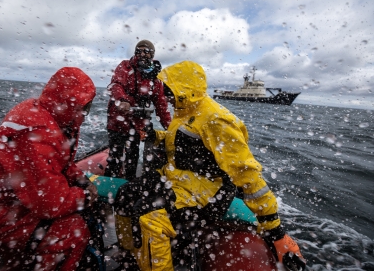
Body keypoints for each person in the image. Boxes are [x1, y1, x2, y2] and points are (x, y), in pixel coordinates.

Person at [129, 61, 307, 271]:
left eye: (168, 89)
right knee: (126, 195)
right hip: (182, 182)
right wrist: (155, 136)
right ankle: (135, 254)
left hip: (211, 194)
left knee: (151, 217)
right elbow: (178, 141)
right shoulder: (185, 110)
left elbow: (247, 175)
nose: (165, 94)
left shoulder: (216, 120)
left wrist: (275, 231)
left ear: (182, 88)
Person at [0, 67, 98, 271]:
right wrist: (85, 196)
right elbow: (50, 204)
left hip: (16, 196)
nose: (86, 114)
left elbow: (63, 165)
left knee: (83, 210)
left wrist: (82, 182)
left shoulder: (53, 118)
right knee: (75, 231)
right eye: (84, 108)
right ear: (70, 103)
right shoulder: (39, 133)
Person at [105, 39, 171, 181]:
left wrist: (170, 128)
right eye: (138, 51)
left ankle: (128, 186)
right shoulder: (125, 67)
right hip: (117, 121)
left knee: (132, 158)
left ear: (152, 55)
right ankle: (109, 187)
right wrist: (122, 100)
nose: (142, 54)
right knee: (115, 158)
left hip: (136, 124)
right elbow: (116, 84)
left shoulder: (156, 78)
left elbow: (161, 105)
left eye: (146, 51)